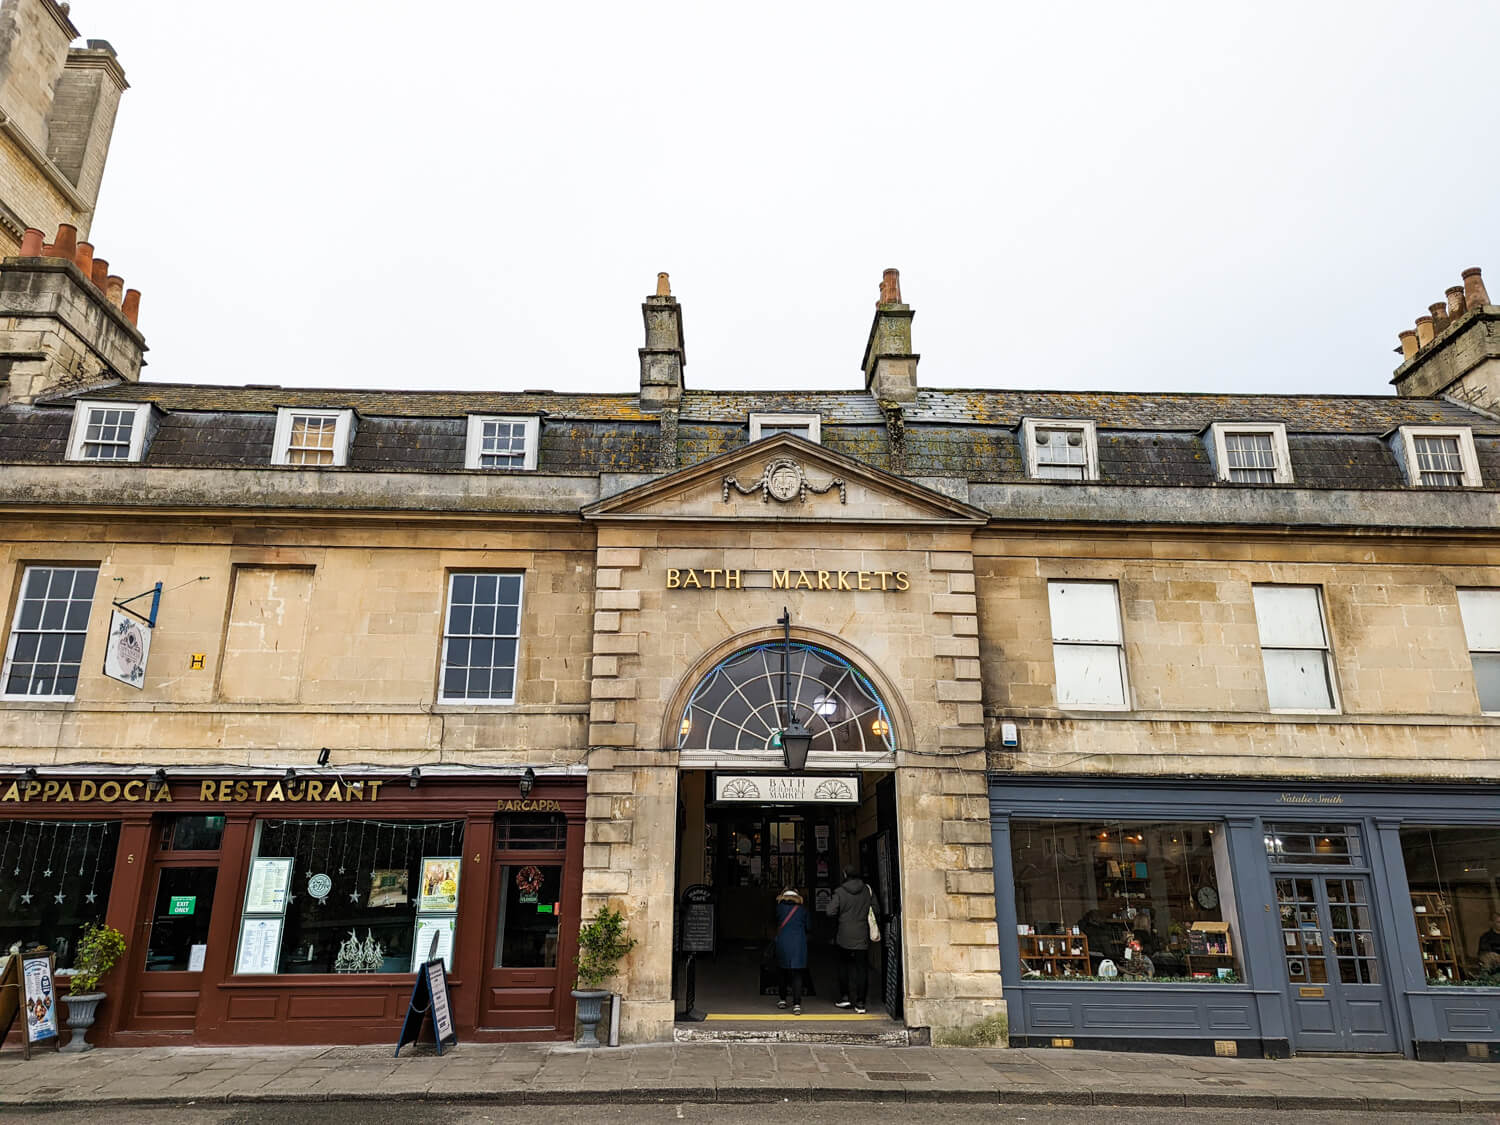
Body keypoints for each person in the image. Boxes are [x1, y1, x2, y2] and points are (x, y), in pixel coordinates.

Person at [825, 867, 873, 1013]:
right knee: (861, 969)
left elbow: (830, 911)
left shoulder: (840, 892)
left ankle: (845, 997)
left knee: (843, 966)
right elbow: (876, 909)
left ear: (845, 875)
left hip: (844, 935)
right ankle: (860, 1003)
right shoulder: (867, 891)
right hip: (862, 933)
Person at [773, 888, 809, 1014]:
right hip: (798, 944)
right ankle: (797, 1004)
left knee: (782, 972)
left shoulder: (779, 909)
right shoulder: (803, 910)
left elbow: (775, 922)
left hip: (783, 942)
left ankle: (782, 999)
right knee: (797, 974)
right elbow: (809, 926)